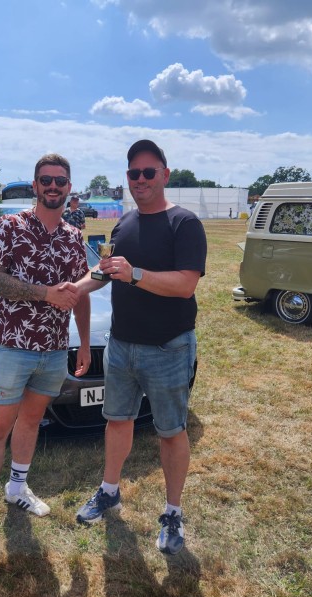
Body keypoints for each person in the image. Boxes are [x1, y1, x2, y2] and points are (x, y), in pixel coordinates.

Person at [0, 153, 92, 567]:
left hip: (54, 349)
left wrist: (85, 343)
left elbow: (80, 294)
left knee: (31, 422)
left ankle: (17, 488)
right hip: (12, 347)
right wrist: (46, 293)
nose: (53, 186)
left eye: (60, 181)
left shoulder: (73, 237)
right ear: (35, 185)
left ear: (69, 188)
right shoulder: (9, 226)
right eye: (46, 180)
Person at [73, 139, 207, 556]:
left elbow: (185, 285)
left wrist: (135, 275)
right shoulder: (124, 225)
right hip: (121, 345)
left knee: (171, 431)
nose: (141, 179)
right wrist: (74, 288)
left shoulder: (184, 223)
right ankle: (109, 490)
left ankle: (173, 512)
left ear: (165, 175)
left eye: (149, 172)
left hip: (168, 349)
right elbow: (107, 272)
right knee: (117, 421)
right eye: (134, 173)